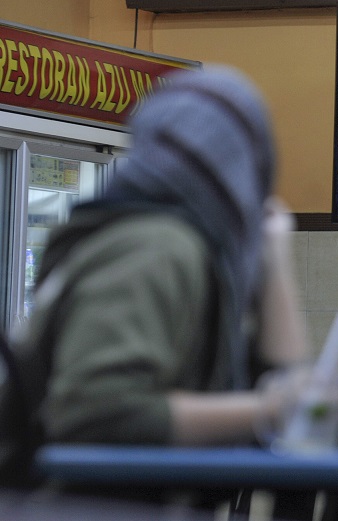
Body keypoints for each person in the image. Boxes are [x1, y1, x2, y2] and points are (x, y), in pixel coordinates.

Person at [15, 65, 309, 451]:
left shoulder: (180, 244)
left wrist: (276, 264)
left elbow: (285, 390)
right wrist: (269, 412)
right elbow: (95, 411)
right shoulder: (155, 247)